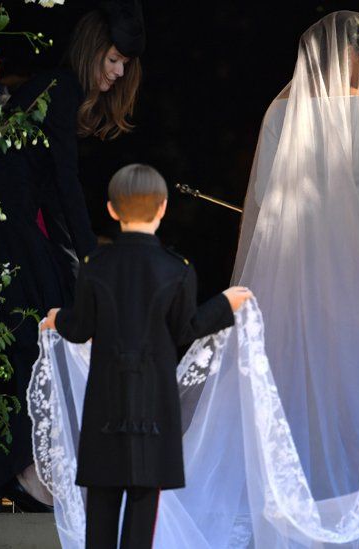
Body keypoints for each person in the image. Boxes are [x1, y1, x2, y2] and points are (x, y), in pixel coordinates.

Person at [0, 0, 146, 508]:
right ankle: (24, 475)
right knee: (33, 343)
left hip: (12, 229)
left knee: (33, 343)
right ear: (94, 50)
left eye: (124, 66)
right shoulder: (60, 87)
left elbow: (50, 187)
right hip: (8, 232)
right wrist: (89, 258)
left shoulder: (52, 89)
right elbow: (63, 183)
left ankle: (24, 473)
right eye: (112, 60)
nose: (115, 73)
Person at [42, 164, 252, 548]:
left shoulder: (94, 266)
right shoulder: (178, 269)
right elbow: (186, 330)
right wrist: (224, 304)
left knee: (101, 510)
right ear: (163, 208)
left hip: (106, 408)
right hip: (154, 410)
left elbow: (81, 327)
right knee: (143, 510)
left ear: (111, 209)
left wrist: (57, 318)